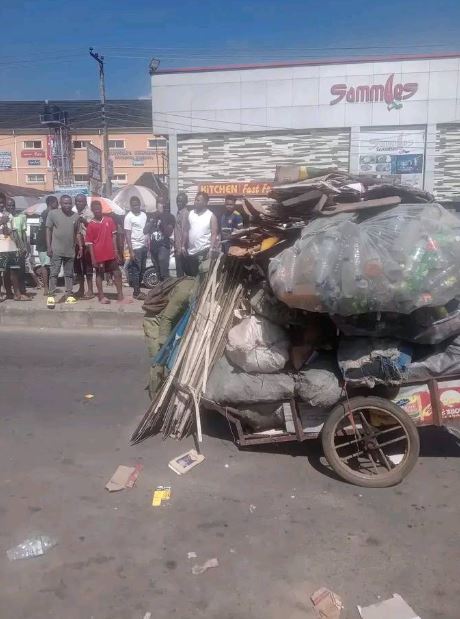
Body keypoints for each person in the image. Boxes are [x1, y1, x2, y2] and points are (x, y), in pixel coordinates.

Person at [85, 200, 132, 305]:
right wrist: (93, 258)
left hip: (110, 253)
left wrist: (116, 251)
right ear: (92, 210)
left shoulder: (109, 220)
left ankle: (120, 297)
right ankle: (101, 297)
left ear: (101, 209)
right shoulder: (91, 225)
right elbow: (90, 244)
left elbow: (114, 237)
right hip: (98, 255)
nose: (97, 211)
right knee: (99, 275)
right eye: (95, 209)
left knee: (117, 273)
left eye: (99, 209)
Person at [46, 194, 81, 308]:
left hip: (70, 250)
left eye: (70, 203)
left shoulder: (76, 216)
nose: (68, 205)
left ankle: (69, 295)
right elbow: (48, 230)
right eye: (65, 203)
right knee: (54, 273)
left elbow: (77, 233)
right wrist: (49, 247)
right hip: (56, 250)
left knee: (69, 274)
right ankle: (51, 296)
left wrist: (80, 247)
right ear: (60, 203)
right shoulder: (53, 214)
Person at [181, 191, 219, 276]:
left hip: (204, 251)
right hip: (191, 252)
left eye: (198, 200)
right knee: (192, 276)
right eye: (195, 200)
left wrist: (211, 249)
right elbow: (185, 230)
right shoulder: (190, 214)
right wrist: (183, 245)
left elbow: (214, 234)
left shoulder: (211, 216)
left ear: (205, 202)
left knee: (202, 275)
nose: (195, 202)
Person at [144, 195, 175, 282]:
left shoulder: (170, 217)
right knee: (158, 273)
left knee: (164, 272)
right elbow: (145, 230)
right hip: (153, 248)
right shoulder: (151, 216)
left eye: (163, 203)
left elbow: (168, 233)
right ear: (156, 204)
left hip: (164, 246)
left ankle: (166, 287)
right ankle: (161, 287)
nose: (162, 205)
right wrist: (152, 220)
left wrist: (162, 217)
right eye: (160, 203)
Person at [0, 210, 30, 301]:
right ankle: (8, 293)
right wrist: (1, 222)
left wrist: (22, 246)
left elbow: (14, 232)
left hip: (12, 247)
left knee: (13, 271)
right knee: (3, 272)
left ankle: (16, 294)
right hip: (1, 248)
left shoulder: (10, 216)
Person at [124, 196, 147, 300]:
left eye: (137, 205)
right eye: (133, 205)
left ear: (139, 205)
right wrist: (131, 251)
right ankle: (136, 292)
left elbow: (145, 230)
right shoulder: (128, 217)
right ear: (131, 206)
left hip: (144, 246)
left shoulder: (144, 215)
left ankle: (137, 289)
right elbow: (127, 235)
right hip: (135, 247)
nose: (135, 207)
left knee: (142, 269)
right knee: (136, 270)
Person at [36, 195, 58, 295]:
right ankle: (46, 288)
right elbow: (48, 230)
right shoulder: (49, 214)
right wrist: (49, 245)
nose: (58, 205)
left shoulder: (43, 213)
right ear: (52, 203)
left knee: (46, 265)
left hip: (41, 243)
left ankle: (48, 287)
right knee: (46, 266)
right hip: (45, 243)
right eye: (56, 203)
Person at [73, 194, 95, 299]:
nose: (78, 203)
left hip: (87, 244)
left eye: (81, 201)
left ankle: (90, 291)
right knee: (79, 269)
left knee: (88, 268)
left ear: (85, 202)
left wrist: (84, 221)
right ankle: (81, 289)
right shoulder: (75, 213)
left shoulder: (89, 213)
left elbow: (93, 227)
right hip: (77, 244)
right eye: (77, 201)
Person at [6, 197, 28, 295]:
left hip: (19, 247)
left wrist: (25, 246)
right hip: (6, 247)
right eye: (9, 205)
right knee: (7, 271)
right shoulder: (3, 217)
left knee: (20, 270)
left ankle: (22, 290)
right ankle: (9, 292)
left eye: (12, 205)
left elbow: (23, 233)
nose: (11, 207)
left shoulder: (21, 217)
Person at [174, 191, 190, 277]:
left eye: (181, 201)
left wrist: (181, 247)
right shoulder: (179, 212)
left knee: (181, 272)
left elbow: (184, 230)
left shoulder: (185, 213)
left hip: (181, 248)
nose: (178, 203)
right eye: (177, 201)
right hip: (177, 246)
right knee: (179, 271)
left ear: (185, 202)